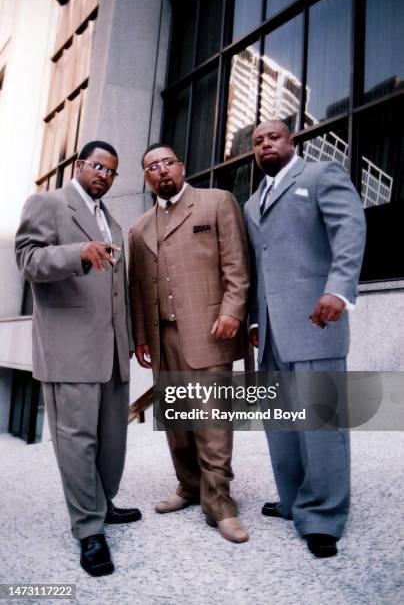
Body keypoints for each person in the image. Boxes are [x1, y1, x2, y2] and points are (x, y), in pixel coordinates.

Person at [15, 141, 141, 577]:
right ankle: (89, 531)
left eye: (112, 170)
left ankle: (104, 505)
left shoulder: (112, 222)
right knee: (76, 441)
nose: (104, 174)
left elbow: (118, 291)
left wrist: (129, 340)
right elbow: (27, 259)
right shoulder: (48, 204)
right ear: (80, 165)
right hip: (69, 349)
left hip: (111, 352)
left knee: (112, 439)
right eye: (98, 166)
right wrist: (77, 255)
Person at [244, 120, 366, 557]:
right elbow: (262, 266)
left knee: (322, 424)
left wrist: (338, 290)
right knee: (281, 424)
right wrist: (257, 319)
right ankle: (295, 501)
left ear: (291, 141)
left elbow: (349, 231)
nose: (265, 145)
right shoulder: (252, 202)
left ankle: (324, 518)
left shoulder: (320, 175)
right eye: (257, 142)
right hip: (273, 331)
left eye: (273, 137)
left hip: (318, 319)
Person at [128, 142, 250, 543]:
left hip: (209, 329)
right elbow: (137, 289)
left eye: (167, 162)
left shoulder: (217, 202)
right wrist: (143, 338)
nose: (161, 170)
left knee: (212, 420)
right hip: (163, 337)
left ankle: (220, 504)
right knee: (178, 422)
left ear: (182, 166)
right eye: (152, 167)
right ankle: (189, 485)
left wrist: (232, 311)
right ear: (146, 177)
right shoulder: (140, 227)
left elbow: (237, 263)